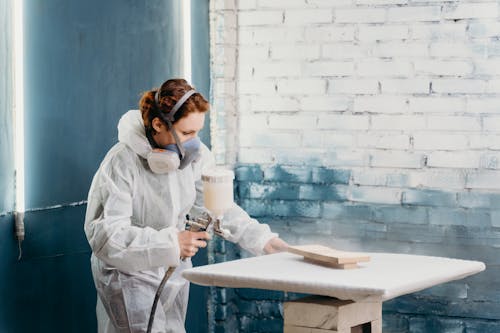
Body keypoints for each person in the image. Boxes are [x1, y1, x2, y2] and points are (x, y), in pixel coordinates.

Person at [84, 78, 288, 333]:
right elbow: (106, 236)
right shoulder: (122, 162)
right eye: (187, 133)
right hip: (128, 275)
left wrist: (264, 240)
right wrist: (172, 243)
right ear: (158, 124)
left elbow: (217, 208)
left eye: (197, 132)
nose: (194, 142)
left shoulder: (195, 157)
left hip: (172, 270)